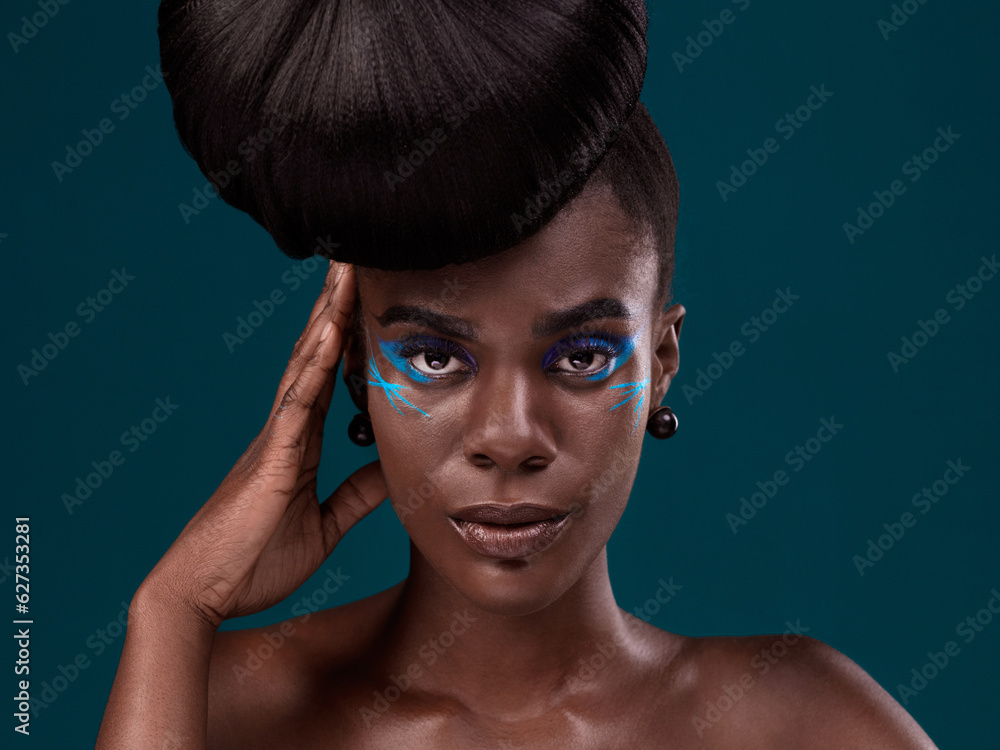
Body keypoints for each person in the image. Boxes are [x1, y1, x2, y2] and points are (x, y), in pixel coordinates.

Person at [97, 0, 938, 747]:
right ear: (351, 365)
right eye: (434, 358)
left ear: (663, 362)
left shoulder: (800, 723)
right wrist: (171, 609)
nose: (508, 438)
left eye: (581, 357)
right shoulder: (222, 706)